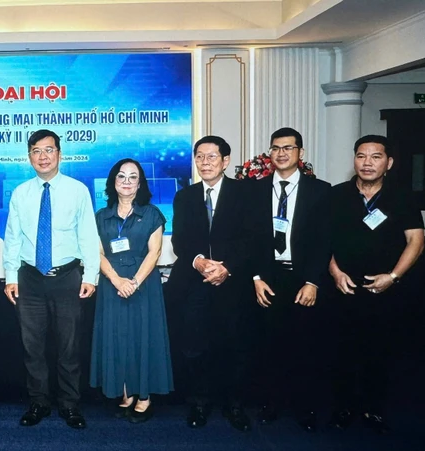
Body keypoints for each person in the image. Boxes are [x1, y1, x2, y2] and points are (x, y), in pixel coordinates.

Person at [3, 129, 100, 429]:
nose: (42, 156)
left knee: (69, 348)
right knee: (32, 347)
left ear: (59, 154)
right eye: (36, 151)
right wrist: (10, 277)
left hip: (67, 277)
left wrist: (91, 275)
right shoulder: (20, 193)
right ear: (29, 156)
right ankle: (39, 403)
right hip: (29, 279)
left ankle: (70, 405)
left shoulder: (77, 190)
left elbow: (88, 235)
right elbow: (13, 239)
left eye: (48, 150)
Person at [327, 135, 424, 434]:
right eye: (361, 156)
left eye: (375, 157)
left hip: (385, 288)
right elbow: (322, 240)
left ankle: (373, 408)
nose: (367, 163)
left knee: (379, 351)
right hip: (344, 287)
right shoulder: (336, 195)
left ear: (389, 163)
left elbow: (416, 241)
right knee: (341, 351)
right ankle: (343, 406)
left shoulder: (402, 197)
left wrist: (393, 277)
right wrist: (335, 272)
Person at [247, 127, 331, 432]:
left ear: (300, 153)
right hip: (267, 279)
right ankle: (271, 403)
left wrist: (313, 282)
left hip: (302, 279)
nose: (281, 153)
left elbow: (324, 241)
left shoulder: (320, 191)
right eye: (276, 148)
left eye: (288, 148)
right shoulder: (254, 190)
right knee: (269, 345)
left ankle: (304, 406)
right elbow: (249, 239)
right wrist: (256, 277)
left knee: (305, 345)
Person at [169, 136, 253, 432]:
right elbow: (180, 239)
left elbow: (252, 239)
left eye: (212, 157)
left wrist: (227, 267)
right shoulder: (185, 196)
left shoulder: (245, 194)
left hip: (233, 283)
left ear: (226, 161)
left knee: (234, 345)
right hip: (194, 284)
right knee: (195, 346)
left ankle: (234, 405)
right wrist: (198, 261)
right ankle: (199, 403)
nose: (205, 162)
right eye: (200, 157)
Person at [90, 158, 172, 424]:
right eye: (121, 176)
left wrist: (134, 282)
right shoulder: (101, 216)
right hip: (112, 284)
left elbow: (154, 252)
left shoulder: (152, 214)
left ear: (140, 183)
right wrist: (117, 280)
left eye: (132, 177)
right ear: (113, 182)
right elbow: (97, 253)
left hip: (143, 285)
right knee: (116, 338)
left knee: (142, 337)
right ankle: (124, 392)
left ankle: (144, 397)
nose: (126, 181)